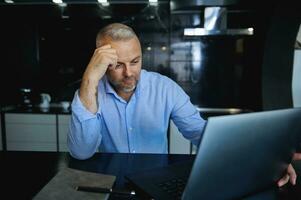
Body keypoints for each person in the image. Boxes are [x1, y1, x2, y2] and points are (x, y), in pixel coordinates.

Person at [68, 23, 299, 187]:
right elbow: (81, 151)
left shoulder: (164, 88)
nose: (129, 73)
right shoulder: (90, 91)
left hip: (155, 185)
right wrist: (90, 78)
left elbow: (201, 134)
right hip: (110, 186)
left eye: (135, 61)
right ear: (101, 63)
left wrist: (265, 160)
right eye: (117, 65)